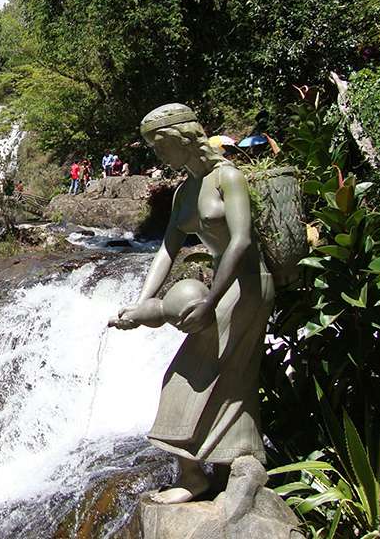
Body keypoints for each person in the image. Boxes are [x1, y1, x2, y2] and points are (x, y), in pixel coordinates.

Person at [109, 103, 273, 505]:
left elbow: (241, 240)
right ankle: (217, 467)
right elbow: (167, 249)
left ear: (183, 139)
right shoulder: (184, 192)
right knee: (215, 377)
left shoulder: (227, 177)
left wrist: (211, 301)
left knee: (205, 376)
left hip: (248, 284)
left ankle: (225, 468)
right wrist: (141, 303)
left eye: (161, 145)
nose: (159, 155)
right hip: (222, 284)